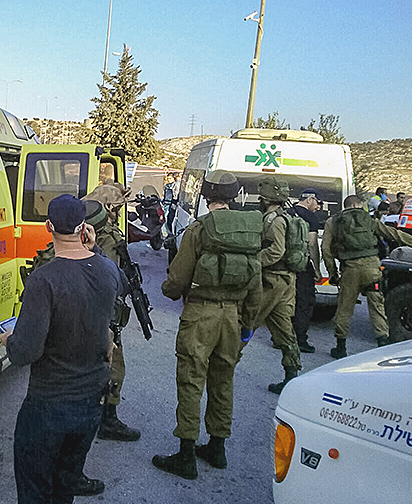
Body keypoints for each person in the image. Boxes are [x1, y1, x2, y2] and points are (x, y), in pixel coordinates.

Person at [2, 194, 124, 503]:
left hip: (48, 407)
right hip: (90, 405)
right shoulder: (107, 270)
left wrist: (9, 341)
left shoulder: (44, 280)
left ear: (48, 227)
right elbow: (118, 282)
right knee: (64, 488)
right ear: (84, 227)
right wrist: (93, 248)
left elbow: (25, 352)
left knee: (35, 491)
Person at [153, 171, 262, 481]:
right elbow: (256, 285)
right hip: (233, 316)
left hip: (200, 315)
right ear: (234, 196)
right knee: (223, 381)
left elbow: (177, 281)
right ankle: (217, 447)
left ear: (206, 194)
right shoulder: (248, 231)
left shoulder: (198, 230)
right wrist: (248, 323)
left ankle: (186, 455)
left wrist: (169, 291)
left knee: (191, 381)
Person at [322, 194, 412, 359]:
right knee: (377, 305)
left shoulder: (333, 222)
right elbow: (394, 234)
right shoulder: (368, 220)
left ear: (345, 205)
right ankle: (382, 342)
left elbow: (326, 250)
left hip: (350, 270)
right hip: (372, 268)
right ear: (359, 205)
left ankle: (340, 348)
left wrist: (332, 273)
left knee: (345, 308)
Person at [82, 182, 141, 442]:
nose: (118, 213)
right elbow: (111, 279)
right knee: (114, 365)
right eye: (115, 208)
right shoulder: (107, 237)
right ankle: (108, 419)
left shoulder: (78, 228)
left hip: (79, 311)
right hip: (102, 314)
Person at [251, 176, 302, 395]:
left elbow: (276, 250)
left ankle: (224, 365)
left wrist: (252, 261)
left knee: (247, 320)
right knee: (284, 331)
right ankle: (292, 376)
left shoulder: (274, 220)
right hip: (284, 281)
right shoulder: (284, 216)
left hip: (273, 280)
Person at [291, 189, 323, 354]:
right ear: (310, 199)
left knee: (285, 302)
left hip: (284, 265)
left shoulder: (286, 212)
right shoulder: (310, 218)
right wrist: (316, 269)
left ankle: (282, 338)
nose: (318, 207)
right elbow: (312, 245)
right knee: (304, 302)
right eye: (318, 202)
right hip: (302, 266)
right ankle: (300, 339)